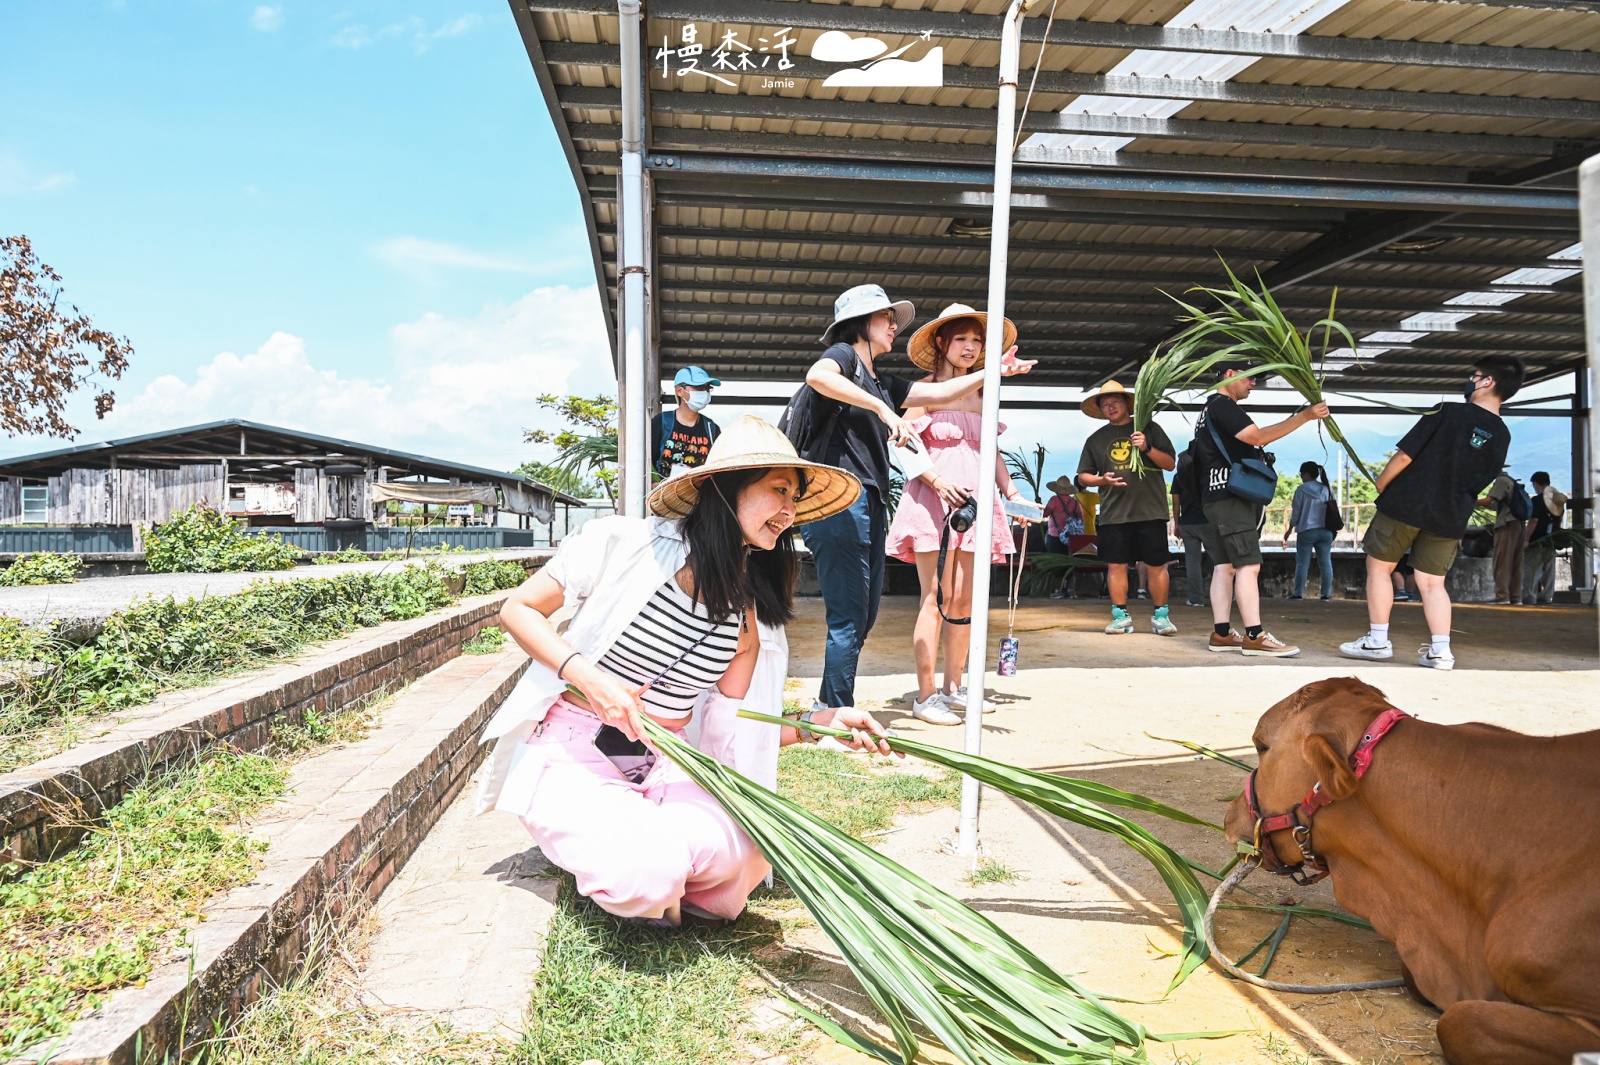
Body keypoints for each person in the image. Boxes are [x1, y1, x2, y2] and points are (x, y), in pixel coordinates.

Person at [477, 416, 894, 927]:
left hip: (666, 763)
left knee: (750, 848)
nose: (790, 511)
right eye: (779, 491)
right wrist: (592, 679)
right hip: (573, 752)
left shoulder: (749, 618)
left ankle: (650, 855)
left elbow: (734, 732)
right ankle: (642, 861)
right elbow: (518, 610)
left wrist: (819, 724)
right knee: (650, 870)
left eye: (796, 498)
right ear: (725, 489)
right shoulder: (623, 545)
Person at [794, 284, 1034, 711]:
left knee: (863, 614)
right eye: (886, 318)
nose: (894, 325)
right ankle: (830, 710)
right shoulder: (846, 358)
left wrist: (995, 370)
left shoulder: (883, 382)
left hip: (867, 499)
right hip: (838, 499)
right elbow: (818, 376)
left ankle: (838, 705)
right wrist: (885, 412)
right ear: (860, 324)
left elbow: (943, 395)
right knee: (853, 615)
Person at [885, 304, 1038, 725]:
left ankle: (954, 689)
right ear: (941, 343)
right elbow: (901, 443)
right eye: (961, 340)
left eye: (977, 342)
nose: (970, 348)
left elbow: (990, 451)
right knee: (932, 597)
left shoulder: (984, 394)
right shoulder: (924, 390)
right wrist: (936, 481)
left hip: (976, 504)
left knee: (963, 600)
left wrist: (1012, 494)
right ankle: (925, 695)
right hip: (934, 500)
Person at [1340, 355, 1523, 670]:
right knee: (1433, 584)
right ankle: (1441, 651)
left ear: (1487, 381)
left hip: (1406, 504)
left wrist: (1382, 483)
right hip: (1450, 516)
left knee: (1380, 569)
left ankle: (1377, 640)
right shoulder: (1503, 435)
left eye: (1474, 375)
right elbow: (1483, 480)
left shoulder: (1447, 411)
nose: (1470, 380)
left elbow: (1405, 456)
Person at [1191, 367, 1330, 657]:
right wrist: (1304, 416)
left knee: (1224, 566)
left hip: (1212, 497)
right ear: (1230, 373)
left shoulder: (1207, 410)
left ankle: (1222, 633)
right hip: (1232, 497)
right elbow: (1257, 437)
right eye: (1250, 376)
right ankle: (1255, 636)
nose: (1253, 383)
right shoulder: (1223, 406)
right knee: (1248, 566)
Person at [1074, 382, 1178, 636]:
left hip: (1151, 510)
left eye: (1115, 403)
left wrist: (1147, 448)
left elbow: (1171, 464)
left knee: (1156, 564)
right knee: (1116, 565)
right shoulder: (1096, 439)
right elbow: (1082, 476)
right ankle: (1120, 616)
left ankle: (1161, 616)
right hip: (1114, 513)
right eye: (1105, 404)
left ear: (1127, 404)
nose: (1110, 407)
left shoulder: (1149, 429)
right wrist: (1101, 481)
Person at [650, 366, 723, 481]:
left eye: (707, 388)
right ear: (679, 391)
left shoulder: (712, 429)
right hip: (663, 495)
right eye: (698, 387)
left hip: (699, 496)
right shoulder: (661, 422)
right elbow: (645, 462)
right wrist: (652, 483)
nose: (704, 392)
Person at [1283, 462, 1336, 601]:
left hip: (1306, 531)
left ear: (1306, 474)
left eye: (1301, 474)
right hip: (1326, 531)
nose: (1301, 476)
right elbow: (1334, 510)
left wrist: (1289, 529)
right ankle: (1325, 594)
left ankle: (1298, 593)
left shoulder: (1301, 490)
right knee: (1325, 563)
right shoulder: (1327, 489)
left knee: (1302, 563)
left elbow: (1296, 513)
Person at [1170, 446, 1210, 607]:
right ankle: (1223, 595)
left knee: (1193, 562)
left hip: (1188, 523)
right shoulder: (1205, 475)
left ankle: (1196, 599)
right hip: (1208, 522)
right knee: (1219, 561)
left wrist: (1177, 523)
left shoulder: (1178, 477)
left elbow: (1175, 503)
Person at [1480, 468, 1526, 605]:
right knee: (1516, 562)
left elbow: (1488, 501)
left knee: (1502, 561)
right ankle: (1516, 597)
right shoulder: (1511, 481)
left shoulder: (1501, 481)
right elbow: (1495, 506)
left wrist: (1469, 501)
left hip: (1507, 524)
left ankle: (1502, 596)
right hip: (1519, 524)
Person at [1523, 471, 1568, 605]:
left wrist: (1526, 539)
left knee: (1532, 568)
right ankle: (1547, 596)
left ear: (1536, 484)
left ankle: (1529, 595)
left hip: (1538, 539)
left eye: (1534, 485)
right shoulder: (1557, 500)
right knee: (1549, 569)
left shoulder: (1537, 500)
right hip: (1551, 539)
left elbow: (1533, 521)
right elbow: (1558, 519)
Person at [1043, 476, 1086, 599]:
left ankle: (1058, 590)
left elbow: (1046, 513)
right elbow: (1079, 518)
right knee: (1070, 563)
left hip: (1055, 535)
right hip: (1070, 537)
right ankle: (1071, 590)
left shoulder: (1054, 499)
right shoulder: (1075, 502)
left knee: (1056, 563)